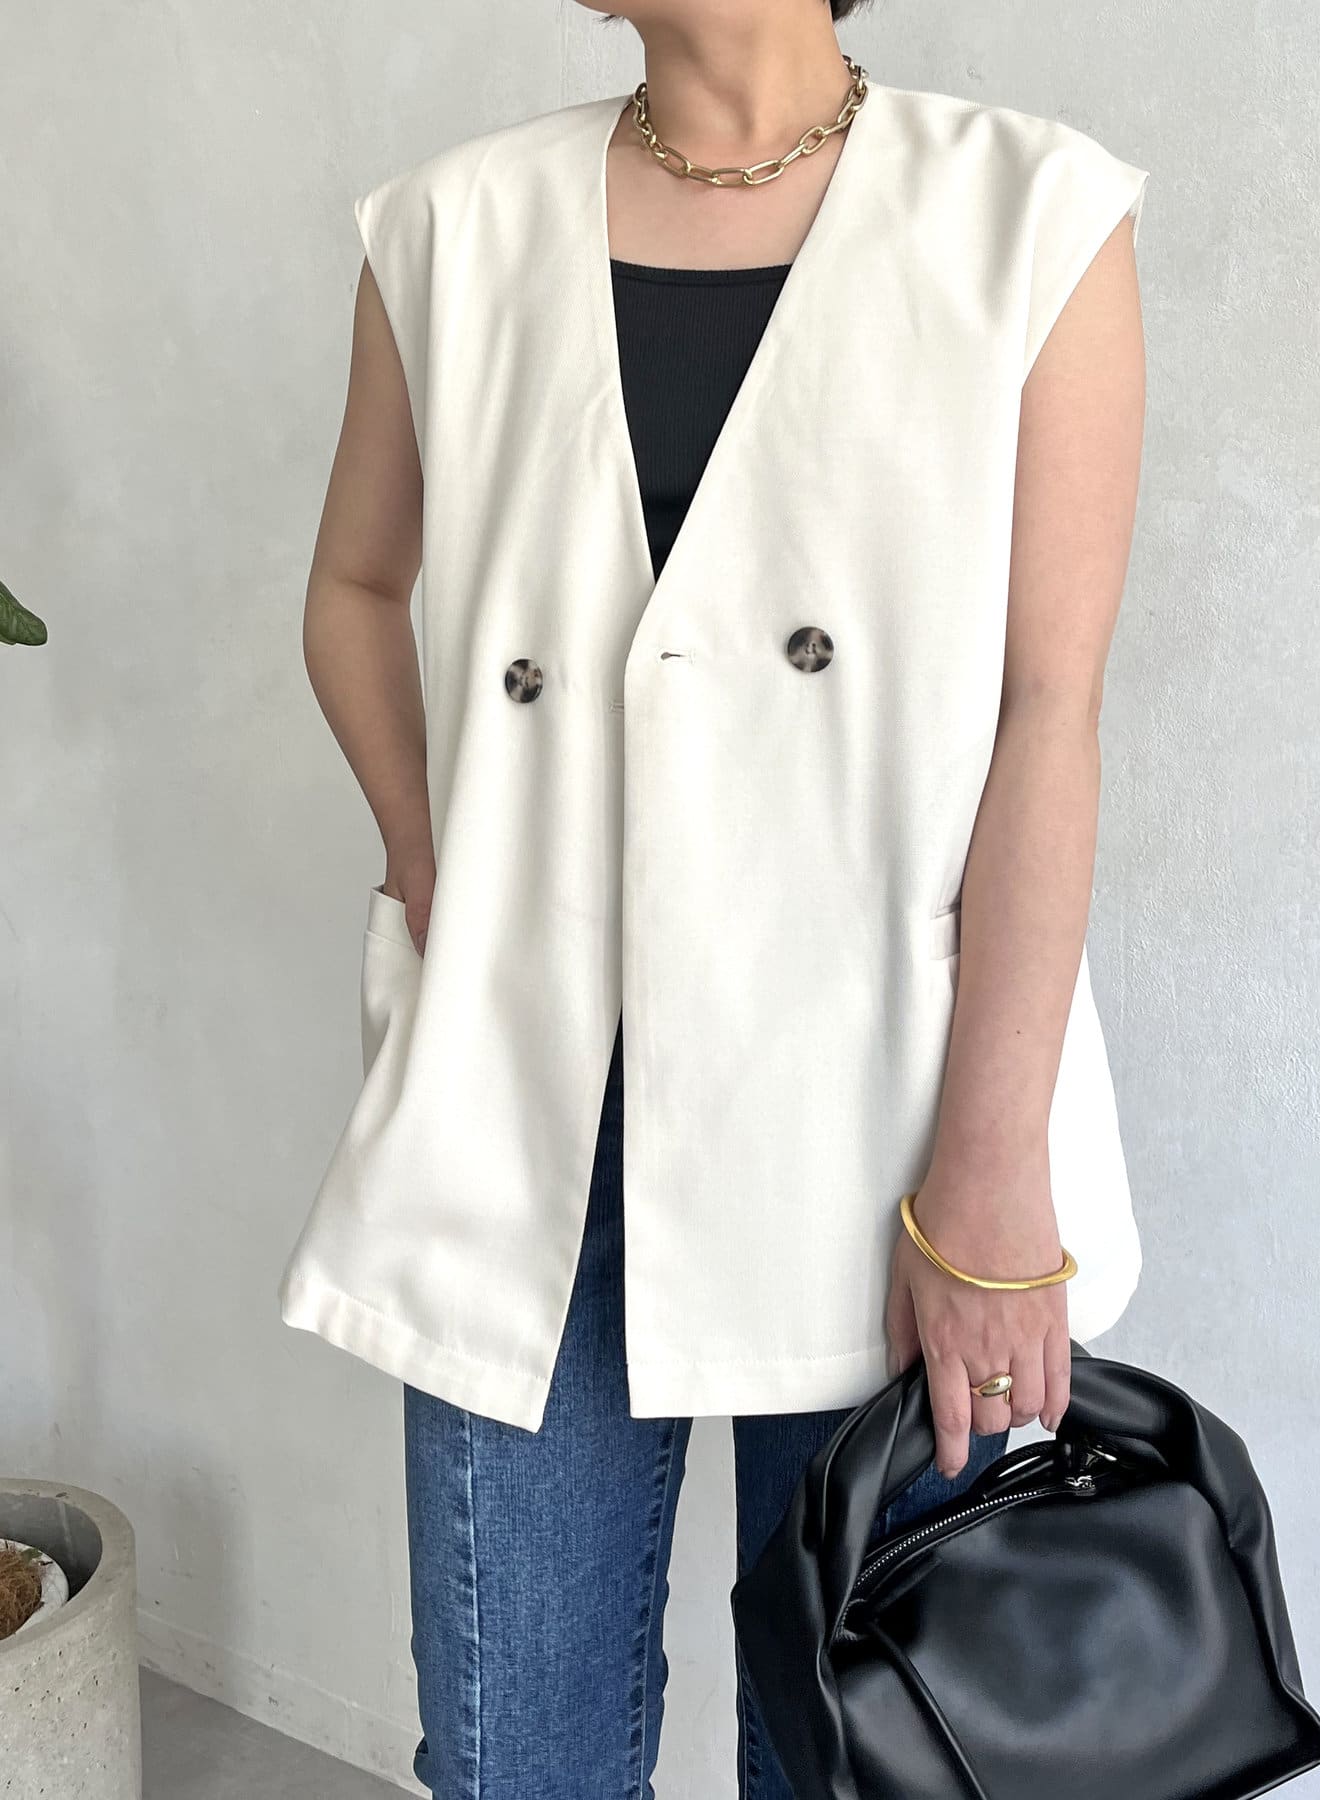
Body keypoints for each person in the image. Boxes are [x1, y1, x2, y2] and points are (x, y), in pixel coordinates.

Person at [282, 0, 1149, 1791]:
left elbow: (1047, 715)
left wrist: (994, 1184)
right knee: (515, 1760)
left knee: (849, 1755)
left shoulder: (1029, 213)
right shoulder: (449, 226)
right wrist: (432, 854)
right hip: (538, 1100)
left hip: (884, 1109)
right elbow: (354, 589)